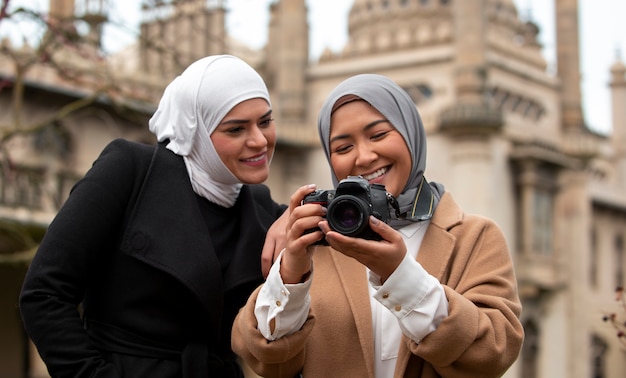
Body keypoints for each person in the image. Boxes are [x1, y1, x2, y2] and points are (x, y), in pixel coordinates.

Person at [232, 74, 524, 377]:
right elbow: (265, 360)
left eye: (378, 135)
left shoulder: (474, 237)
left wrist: (401, 276)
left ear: (411, 133)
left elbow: (493, 353)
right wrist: (290, 278)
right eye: (343, 148)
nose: (365, 157)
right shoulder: (317, 241)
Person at [19, 54, 287, 378]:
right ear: (195, 130)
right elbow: (44, 294)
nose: (259, 140)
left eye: (265, 121)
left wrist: (295, 215)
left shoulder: (261, 208)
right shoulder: (130, 170)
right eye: (236, 129)